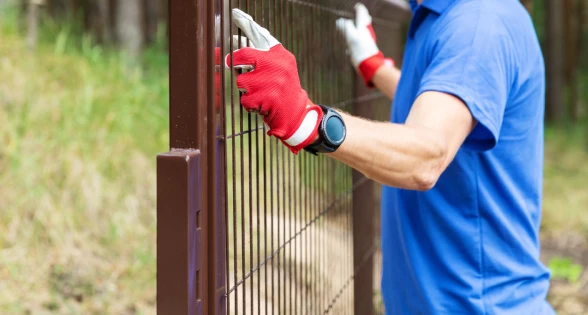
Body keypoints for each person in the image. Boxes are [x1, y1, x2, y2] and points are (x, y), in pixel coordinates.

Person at [226, 0, 552, 313]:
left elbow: (427, 155)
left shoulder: (477, 23)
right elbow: (442, 103)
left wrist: (307, 121)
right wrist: (374, 66)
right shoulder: (443, 15)